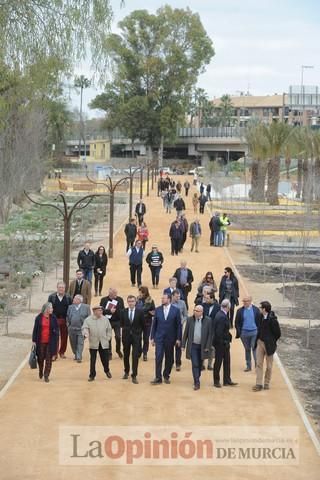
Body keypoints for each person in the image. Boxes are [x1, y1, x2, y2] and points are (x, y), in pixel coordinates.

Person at [150, 293, 182, 384]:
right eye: (162, 298)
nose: (162, 300)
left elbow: (178, 326)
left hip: (170, 338)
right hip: (159, 338)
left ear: (169, 299)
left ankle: (166, 375)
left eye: (164, 298)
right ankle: (158, 377)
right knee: (158, 357)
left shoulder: (176, 310)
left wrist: (178, 338)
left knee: (169, 358)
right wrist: (152, 337)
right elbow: (154, 324)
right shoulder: (158, 309)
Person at [252, 301, 281, 392]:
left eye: (260, 308)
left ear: (264, 309)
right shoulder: (260, 317)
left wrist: (271, 342)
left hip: (269, 346)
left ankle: (266, 383)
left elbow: (278, 334)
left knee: (269, 366)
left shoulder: (273, 320)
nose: (259, 309)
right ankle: (259, 384)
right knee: (259, 364)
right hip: (260, 342)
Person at [182, 305, 211, 390]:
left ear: (202, 312)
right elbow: (186, 333)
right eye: (194, 310)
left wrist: (207, 346)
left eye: (197, 311)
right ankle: (197, 382)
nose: (195, 312)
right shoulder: (190, 320)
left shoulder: (208, 321)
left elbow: (210, 335)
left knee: (199, 363)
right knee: (195, 364)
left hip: (202, 346)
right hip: (193, 346)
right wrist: (183, 345)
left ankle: (197, 376)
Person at [82, 305, 112, 382]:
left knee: (105, 359)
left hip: (103, 342)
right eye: (99, 310)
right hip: (93, 343)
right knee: (93, 360)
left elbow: (109, 329)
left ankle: (107, 370)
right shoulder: (88, 320)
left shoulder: (105, 319)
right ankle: (92, 375)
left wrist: (108, 338)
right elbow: (84, 328)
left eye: (101, 310)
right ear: (94, 311)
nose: (101, 312)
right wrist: (85, 333)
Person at [212, 299, 238, 388]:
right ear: (228, 307)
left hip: (223, 343)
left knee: (226, 361)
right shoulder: (222, 316)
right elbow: (219, 332)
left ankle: (227, 380)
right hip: (221, 344)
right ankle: (216, 381)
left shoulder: (221, 314)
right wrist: (224, 342)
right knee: (218, 362)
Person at [120, 295, 145, 384]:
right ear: (127, 302)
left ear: (135, 302)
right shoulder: (123, 311)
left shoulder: (140, 312)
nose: (131, 303)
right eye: (129, 301)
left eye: (132, 301)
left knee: (135, 356)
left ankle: (134, 375)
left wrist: (140, 335)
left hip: (136, 337)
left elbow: (143, 325)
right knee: (126, 355)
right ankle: (126, 371)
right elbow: (122, 324)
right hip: (126, 337)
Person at [32, 302, 59, 382]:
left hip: (50, 342)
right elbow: (35, 330)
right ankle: (40, 370)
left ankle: (46, 375)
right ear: (46, 309)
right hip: (40, 341)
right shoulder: (38, 318)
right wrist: (33, 340)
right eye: (51, 308)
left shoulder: (53, 317)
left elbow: (57, 329)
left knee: (49, 359)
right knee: (40, 358)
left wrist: (56, 333)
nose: (52, 309)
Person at [235, 296, 260, 372]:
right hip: (244, 333)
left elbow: (259, 320)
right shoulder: (240, 311)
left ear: (250, 301)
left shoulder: (256, 310)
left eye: (247, 301)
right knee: (247, 349)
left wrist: (258, 330)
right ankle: (248, 366)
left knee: (254, 348)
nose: (245, 303)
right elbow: (237, 322)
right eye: (244, 301)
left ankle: (257, 366)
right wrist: (240, 332)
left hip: (254, 332)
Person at [48, 281, 72, 360]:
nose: (61, 289)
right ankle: (54, 354)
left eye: (63, 287)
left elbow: (71, 309)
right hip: (54, 319)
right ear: (57, 288)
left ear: (65, 289)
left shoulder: (68, 297)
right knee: (54, 337)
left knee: (64, 337)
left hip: (65, 320)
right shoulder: (51, 297)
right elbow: (48, 308)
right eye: (60, 287)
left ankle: (62, 352)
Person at [100, 287, 124, 360]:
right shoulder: (104, 300)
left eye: (116, 293)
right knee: (108, 338)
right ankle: (109, 353)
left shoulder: (120, 299)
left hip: (117, 321)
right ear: (110, 293)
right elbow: (101, 310)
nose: (116, 295)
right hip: (108, 321)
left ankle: (118, 350)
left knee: (118, 336)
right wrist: (109, 311)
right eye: (114, 294)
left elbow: (123, 309)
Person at [66, 295, 91, 363]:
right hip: (72, 329)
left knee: (80, 343)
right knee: (73, 343)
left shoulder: (86, 307)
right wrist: (68, 325)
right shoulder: (70, 307)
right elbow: (67, 317)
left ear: (79, 300)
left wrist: (87, 327)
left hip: (81, 329)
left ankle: (79, 356)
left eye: (75, 299)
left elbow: (89, 318)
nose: (73, 300)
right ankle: (76, 353)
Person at [202, 290, 220, 370]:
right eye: (205, 298)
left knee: (212, 347)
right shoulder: (203, 305)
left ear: (212, 299)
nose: (205, 299)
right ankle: (202, 363)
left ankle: (210, 364)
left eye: (207, 298)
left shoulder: (218, 307)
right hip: (203, 329)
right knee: (202, 345)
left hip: (213, 330)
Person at [137, 286, 155, 361]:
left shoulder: (150, 300)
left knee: (146, 338)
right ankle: (139, 350)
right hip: (138, 322)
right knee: (138, 338)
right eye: (139, 292)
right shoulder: (137, 299)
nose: (139, 293)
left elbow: (154, 311)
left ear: (145, 293)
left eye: (141, 292)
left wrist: (151, 313)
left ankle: (145, 353)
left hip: (147, 322)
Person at [171, 289, 188, 371]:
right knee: (170, 346)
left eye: (179, 296)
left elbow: (185, 315)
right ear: (172, 296)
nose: (178, 298)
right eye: (176, 296)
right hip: (170, 327)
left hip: (179, 328)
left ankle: (178, 364)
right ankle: (170, 362)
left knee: (178, 345)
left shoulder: (182, 303)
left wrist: (182, 321)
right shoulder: (168, 303)